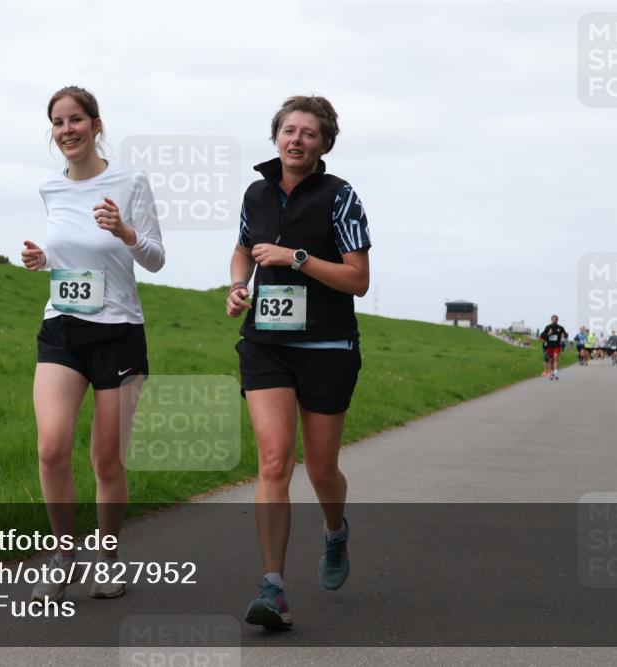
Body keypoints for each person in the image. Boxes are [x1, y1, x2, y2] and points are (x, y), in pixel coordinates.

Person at [226, 95, 370, 629]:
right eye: (289, 130)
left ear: (324, 144)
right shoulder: (256, 193)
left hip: (328, 347)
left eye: (309, 133)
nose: (297, 140)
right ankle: (274, 587)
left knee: (322, 468)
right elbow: (244, 248)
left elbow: (358, 279)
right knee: (273, 461)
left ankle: (335, 531)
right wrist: (238, 285)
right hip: (266, 343)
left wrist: (298, 258)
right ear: (276, 136)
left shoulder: (340, 196)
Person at [20, 86, 165, 602]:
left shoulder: (129, 181)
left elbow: (155, 258)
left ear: (96, 124)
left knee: (106, 460)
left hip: (118, 332)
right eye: (58, 122)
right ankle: (64, 556)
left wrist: (125, 231)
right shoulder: (50, 188)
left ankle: (107, 559)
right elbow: (69, 258)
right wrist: (43, 261)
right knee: (51, 447)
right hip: (62, 328)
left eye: (76, 120)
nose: (67, 130)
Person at [538, 315, 567, 380]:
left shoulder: (560, 328)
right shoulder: (548, 327)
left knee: (556, 358)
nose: (554, 320)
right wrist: (549, 333)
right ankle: (552, 373)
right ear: (551, 320)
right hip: (550, 346)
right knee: (551, 360)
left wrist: (564, 335)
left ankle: (555, 373)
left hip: (557, 345)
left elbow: (565, 335)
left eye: (555, 319)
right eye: (553, 319)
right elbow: (542, 336)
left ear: (557, 320)